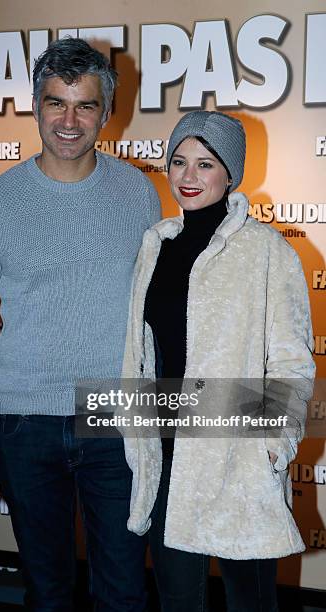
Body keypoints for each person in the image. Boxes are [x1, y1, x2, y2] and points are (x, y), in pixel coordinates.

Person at [0, 37, 160, 611]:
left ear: (106, 113)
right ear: (36, 107)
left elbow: (151, 315)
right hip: (24, 425)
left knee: (123, 593)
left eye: (85, 105)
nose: (69, 120)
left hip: (114, 418)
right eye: (55, 103)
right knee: (48, 595)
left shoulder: (139, 194)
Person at [121, 111, 315, 611]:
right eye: (179, 162)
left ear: (231, 173)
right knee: (178, 599)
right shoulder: (155, 245)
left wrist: (273, 446)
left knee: (251, 601)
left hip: (237, 455)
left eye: (205, 164)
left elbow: (292, 361)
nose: (188, 177)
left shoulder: (266, 250)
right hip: (166, 455)